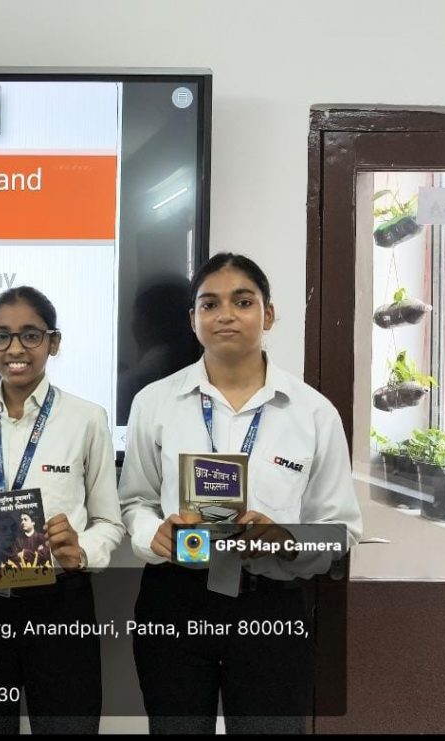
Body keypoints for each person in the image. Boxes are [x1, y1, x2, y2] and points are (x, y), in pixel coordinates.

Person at [118, 253, 363, 734]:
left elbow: (342, 531)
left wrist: (286, 539)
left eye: (243, 301)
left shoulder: (313, 413)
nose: (225, 314)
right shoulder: (154, 402)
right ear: (192, 319)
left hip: (268, 604)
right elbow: (136, 501)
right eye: (209, 304)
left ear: (268, 314)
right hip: (176, 600)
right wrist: (155, 533)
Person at [0, 286, 126, 734]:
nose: (15, 349)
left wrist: (81, 551)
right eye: (1, 336)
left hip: (61, 601)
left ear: (53, 342)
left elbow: (109, 521)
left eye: (30, 335)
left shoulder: (87, 417)